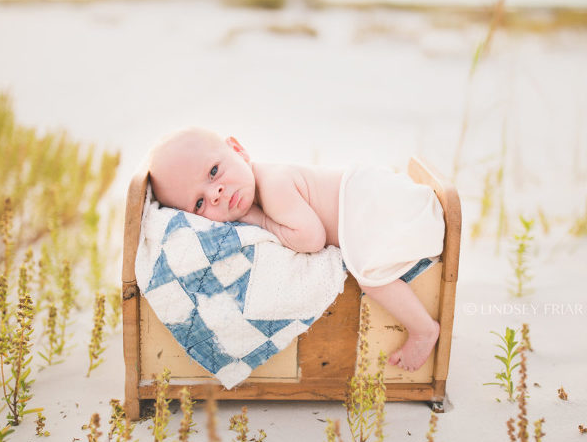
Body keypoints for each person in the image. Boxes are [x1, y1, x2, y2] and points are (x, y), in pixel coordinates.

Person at [147, 127, 445, 372]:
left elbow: (311, 239)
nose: (216, 193)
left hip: (378, 206)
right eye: (199, 203)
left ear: (238, 150)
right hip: (371, 197)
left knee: (369, 275)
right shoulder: (255, 186)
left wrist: (261, 220)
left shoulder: (274, 184)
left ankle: (423, 330)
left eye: (214, 171)